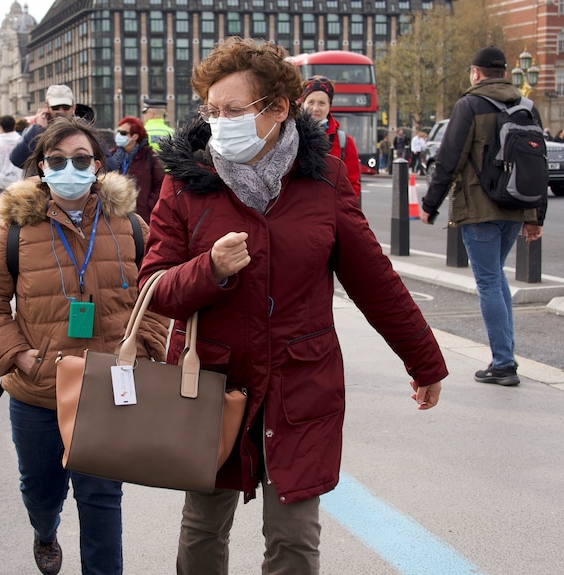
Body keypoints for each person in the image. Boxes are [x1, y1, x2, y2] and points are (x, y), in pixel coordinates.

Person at [139, 37, 447, 575]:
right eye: (212, 111)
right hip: (211, 380)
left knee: (295, 541)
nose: (219, 122)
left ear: (278, 109)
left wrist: (424, 362)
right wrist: (206, 270)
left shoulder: (322, 179)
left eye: (233, 111)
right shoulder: (186, 184)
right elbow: (155, 288)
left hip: (300, 384)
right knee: (203, 527)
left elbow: (375, 280)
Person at [0, 116, 168, 575]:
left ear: (98, 165)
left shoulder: (130, 225)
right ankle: (44, 529)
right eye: (57, 161)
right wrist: (18, 355)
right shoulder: (13, 229)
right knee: (41, 489)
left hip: (106, 389)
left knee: (102, 497)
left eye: (80, 160)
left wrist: (146, 345)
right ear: (41, 167)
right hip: (40, 390)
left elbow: (159, 290)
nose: (69, 169)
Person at [420, 45, 546, 387]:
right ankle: (504, 355)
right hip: (517, 207)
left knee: (489, 281)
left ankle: (503, 363)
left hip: (479, 208)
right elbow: (539, 164)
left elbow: (449, 159)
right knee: (497, 278)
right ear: (504, 72)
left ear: (476, 73)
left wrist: (430, 204)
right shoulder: (528, 106)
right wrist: (536, 217)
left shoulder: (470, 105)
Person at [301, 76, 361, 197]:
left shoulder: (345, 141)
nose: (315, 108)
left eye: (322, 103)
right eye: (311, 102)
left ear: (330, 106)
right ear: (303, 103)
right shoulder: (289, 135)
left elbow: (353, 185)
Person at [9, 84, 80, 169]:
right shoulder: (36, 131)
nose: (61, 111)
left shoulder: (84, 131)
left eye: (66, 107)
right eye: (55, 107)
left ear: (73, 107)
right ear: (46, 107)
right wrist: (38, 129)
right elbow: (17, 159)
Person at [108, 115, 164, 222]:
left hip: (141, 215)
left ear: (135, 136)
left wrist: (150, 206)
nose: (119, 135)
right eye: (118, 131)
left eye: (123, 133)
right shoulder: (111, 155)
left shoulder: (150, 157)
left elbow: (160, 183)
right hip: (115, 214)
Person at [0, 115, 22, 219]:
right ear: (14, 126)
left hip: (2, 183)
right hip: (19, 182)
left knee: (3, 216)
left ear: (1, 127)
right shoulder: (21, 141)